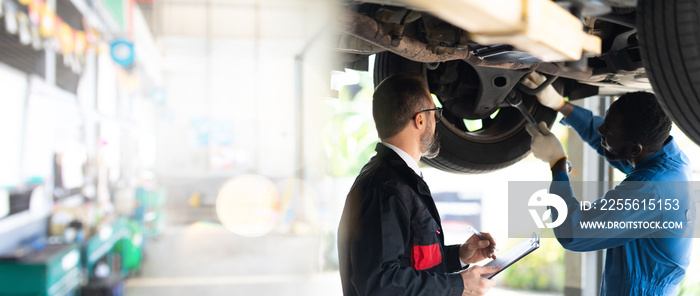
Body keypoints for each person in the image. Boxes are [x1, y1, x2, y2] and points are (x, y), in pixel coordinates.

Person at [524, 73, 696, 295]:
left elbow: (574, 233)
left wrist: (557, 163)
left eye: (609, 129)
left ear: (635, 149)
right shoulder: (667, 158)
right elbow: (610, 144)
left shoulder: (650, 190)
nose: (601, 130)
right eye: (606, 120)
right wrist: (561, 105)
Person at [337, 72, 500, 296]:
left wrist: (460, 256)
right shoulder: (386, 188)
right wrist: (459, 285)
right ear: (420, 120)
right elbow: (380, 283)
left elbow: (410, 262)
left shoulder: (398, 180)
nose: (436, 123)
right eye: (435, 114)